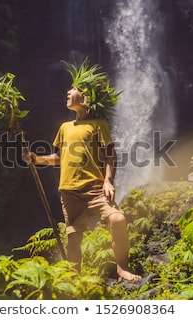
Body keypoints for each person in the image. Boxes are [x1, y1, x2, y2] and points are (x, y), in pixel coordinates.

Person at [23, 60, 141, 282]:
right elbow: (59, 158)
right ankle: (74, 280)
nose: (68, 92)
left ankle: (121, 268)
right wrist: (36, 158)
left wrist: (108, 181)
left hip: (95, 188)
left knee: (117, 219)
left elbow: (110, 154)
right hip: (69, 191)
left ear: (86, 98)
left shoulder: (98, 124)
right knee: (74, 237)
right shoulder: (65, 127)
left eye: (74, 89)